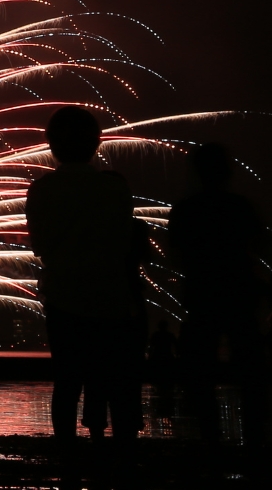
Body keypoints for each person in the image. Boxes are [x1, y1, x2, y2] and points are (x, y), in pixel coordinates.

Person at [27, 106, 144, 447]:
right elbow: (124, 241)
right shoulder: (115, 188)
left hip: (63, 297)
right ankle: (121, 454)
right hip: (111, 296)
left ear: (52, 145)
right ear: (96, 143)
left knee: (66, 382)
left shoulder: (42, 189)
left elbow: (39, 246)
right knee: (115, 380)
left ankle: (67, 453)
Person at [168, 140, 267, 443]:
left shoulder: (186, 210)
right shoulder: (241, 207)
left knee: (200, 375)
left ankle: (210, 440)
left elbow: (176, 254)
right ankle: (255, 441)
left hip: (201, 295)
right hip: (240, 293)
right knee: (251, 374)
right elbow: (260, 246)